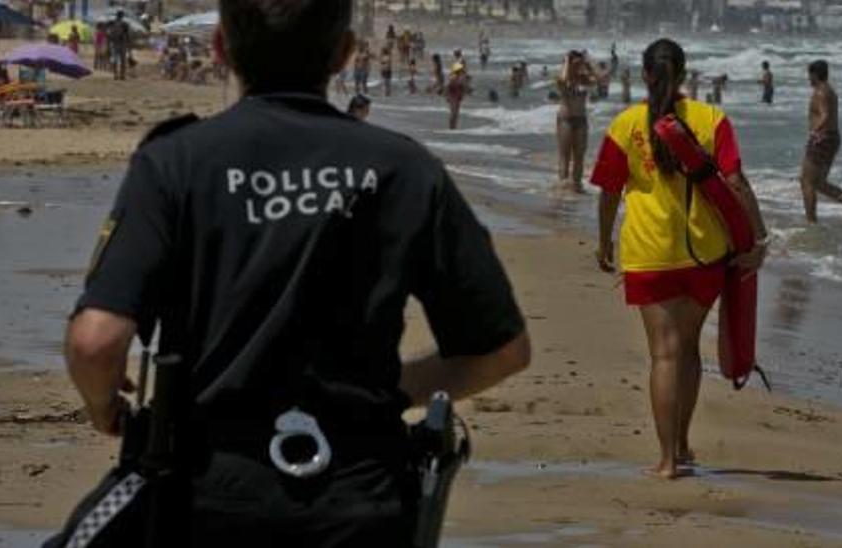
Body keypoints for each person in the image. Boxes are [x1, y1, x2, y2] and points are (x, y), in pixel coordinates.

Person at [62, 0, 530, 543]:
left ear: (220, 47)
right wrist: (388, 390)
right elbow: (501, 350)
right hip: (357, 501)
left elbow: (95, 344)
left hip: (203, 496)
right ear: (344, 53)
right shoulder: (403, 168)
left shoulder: (176, 161)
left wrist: (105, 408)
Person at [591, 39, 768, 480]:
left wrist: (603, 242)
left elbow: (609, 191)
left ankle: (668, 460)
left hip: (650, 253)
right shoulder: (712, 119)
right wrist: (757, 237)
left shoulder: (626, 124)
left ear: (646, 75)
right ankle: (683, 444)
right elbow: (737, 182)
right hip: (705, 253)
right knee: (687, 350)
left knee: (664, 356)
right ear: (685, 74)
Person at [800, 60, 842, 226]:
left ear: (815, 75)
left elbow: (825, 114)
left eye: (809, 75)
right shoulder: (830, 91)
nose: (808, 79)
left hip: (822, 138)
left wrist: (815, 133)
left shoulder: (820, 92)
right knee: (819, 183)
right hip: (832, 138)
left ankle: (811, 222)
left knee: (806, 181)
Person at [556, 51, 596, 193]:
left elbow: (600, 78)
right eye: (576, 63)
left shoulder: (584, 79)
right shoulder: (563, 78)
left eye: (580, 63)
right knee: (565, 155)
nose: (578, 66)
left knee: (579, 155)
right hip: (565, 120)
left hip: (581, 120)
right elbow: (562, 80)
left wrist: (589, 64)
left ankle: (577, 185)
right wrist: (567, 61)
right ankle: (563, 186)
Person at [106, 11, 131, 81]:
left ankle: (115, 75)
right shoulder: (125, 24)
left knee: (115, 60)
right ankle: (122, 75)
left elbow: (108, 35)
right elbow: (128, 36)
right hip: (122, 44)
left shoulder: (111, 23)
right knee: (123, 60)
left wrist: (108, 45)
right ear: (122, 16)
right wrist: (129, 46)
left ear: (116, 16)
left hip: (114, 44)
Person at [446, 63, 468, 129]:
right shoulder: (454, 77)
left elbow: (463, 88)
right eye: (461, 70)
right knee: (454, 112)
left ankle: (453, 126)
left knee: (455, 112)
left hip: (456, 96)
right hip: (454, 96)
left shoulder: (458, 77)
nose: (462, 71)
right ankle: (452, 127)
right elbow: (449, 87)